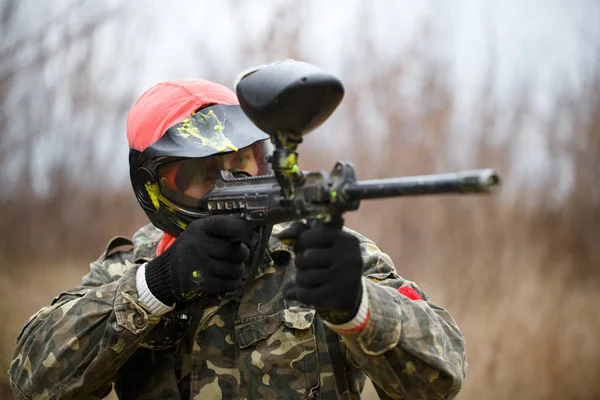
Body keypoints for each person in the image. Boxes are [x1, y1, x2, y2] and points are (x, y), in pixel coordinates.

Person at [9, 77, 467, 399]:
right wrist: (158, 286)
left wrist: (358, 308)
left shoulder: (319, 254)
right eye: (196, 173)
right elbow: (33, 380)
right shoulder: (131, 267)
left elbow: (442, 379)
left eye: (239, 162)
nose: (227, 183)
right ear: (153, 185)